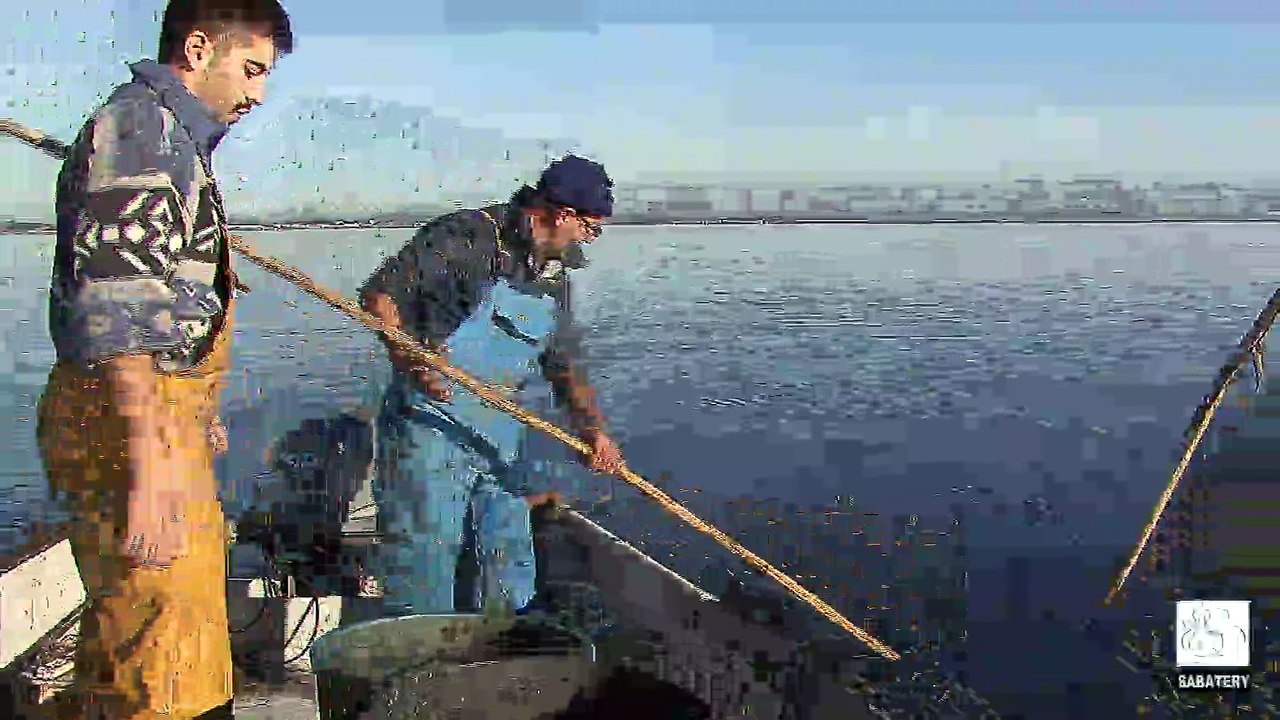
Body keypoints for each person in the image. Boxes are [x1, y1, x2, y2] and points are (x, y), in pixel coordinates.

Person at [34, 1, 293, 718]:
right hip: (126, 422)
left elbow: (169, 303)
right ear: (199, 47)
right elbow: (119, 315)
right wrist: (150, 469)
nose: (258, 94)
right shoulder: (143, 131)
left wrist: (195, 411)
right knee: (167, 658)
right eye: (251, 69)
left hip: (158, 412)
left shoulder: (174, 139)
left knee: (145, 630)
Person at [360, 155, 626, 616]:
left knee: (507, 541)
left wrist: (593, 431)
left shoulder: (554, 272)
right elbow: (380, 294)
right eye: (589, 227)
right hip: (431, 429)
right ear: (561, 214)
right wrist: (410, 358)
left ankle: (503, 648)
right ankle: (423, 665)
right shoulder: (467, 236)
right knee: (427, 552)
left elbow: (562, 362)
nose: (589, 239)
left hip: (499, 434)